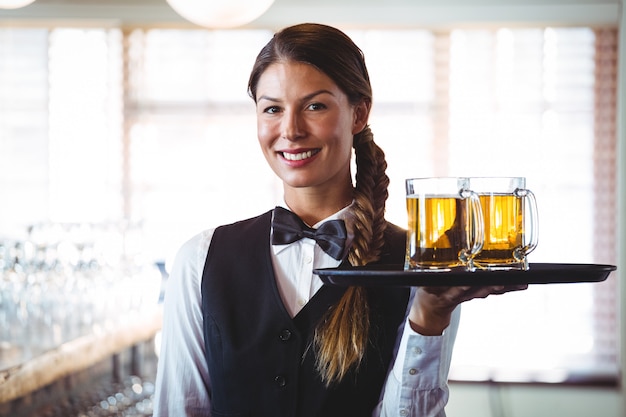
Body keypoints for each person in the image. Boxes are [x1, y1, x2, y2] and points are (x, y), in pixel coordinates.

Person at [152, 23, 526, 417]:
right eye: (273, 109)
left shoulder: (421, 265)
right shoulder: (199, 260)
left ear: (359, 113)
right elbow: (179, 408)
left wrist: (429, 317)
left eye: (315, 106)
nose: (291, 130)